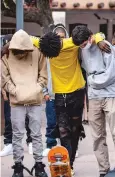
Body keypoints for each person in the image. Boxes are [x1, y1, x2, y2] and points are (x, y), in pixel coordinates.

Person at [26, 28, 110, 177]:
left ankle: (70, 162)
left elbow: (93, 35)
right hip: (59, 95)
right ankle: (68, 165)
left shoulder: (71, 42)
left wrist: (100, 40)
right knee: (64, 131)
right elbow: (23, 35)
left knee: (75, 130)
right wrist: (7, 46)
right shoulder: (44, 44)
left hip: (77, 91)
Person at [71, 25, 115, 177]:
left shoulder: (104, 46)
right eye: (80, 45)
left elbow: (113, 73)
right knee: (97, 136)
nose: (83, 47)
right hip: (93, 97)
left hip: (111, 94)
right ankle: (103, 169)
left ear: (90, 37)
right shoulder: (81, 47)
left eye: (84, 44)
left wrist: (93, 80)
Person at [1, 29, 48, 177]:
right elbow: (4, 77)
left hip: (34, 99)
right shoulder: (6, 55)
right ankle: (18, 164)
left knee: (35, 133)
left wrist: (36, 89)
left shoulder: (37, 52)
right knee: (17, 134)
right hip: (17, 100)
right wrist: (15, 91)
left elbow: (43, 74)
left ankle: (39, 163)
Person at [0, 34, 33, 157]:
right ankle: (9, 143)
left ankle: (30, 142)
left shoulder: (25, 55)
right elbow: (2, 77)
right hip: (10, 92)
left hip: (25, 90)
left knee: (28, 118)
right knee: (9, 119)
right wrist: (5, 93)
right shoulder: (3, 57)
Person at [42, 24, 69, 157]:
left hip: (66, 94)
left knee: (66, 123)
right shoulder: (48, 54)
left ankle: (67, 146)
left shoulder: (70, 52)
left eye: (63, 37)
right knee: (51, 122)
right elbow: (42, 73)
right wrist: (45, 92)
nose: (60, 40)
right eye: (58, 37)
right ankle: (50, 144)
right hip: (52, 94)